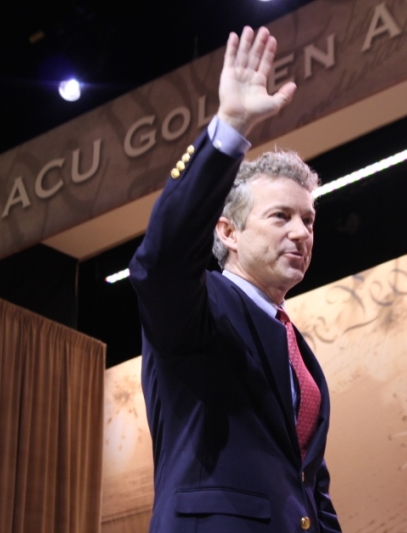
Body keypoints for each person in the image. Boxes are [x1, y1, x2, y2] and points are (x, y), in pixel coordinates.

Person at [129, 26, 342, 533]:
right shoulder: (198, 307)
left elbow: (309, 490)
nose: (300, 233)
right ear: (227, 232)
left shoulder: (295, 346)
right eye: (280, 217)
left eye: (308, 220)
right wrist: (230, 130)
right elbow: (161, 259)